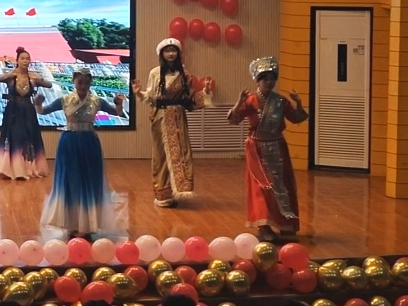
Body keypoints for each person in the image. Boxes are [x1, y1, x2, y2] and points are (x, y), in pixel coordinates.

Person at [37, 68, 126, 239]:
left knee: (89, 181)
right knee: (71, 181)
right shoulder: (65, 100)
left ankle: (87, 224)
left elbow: (117, 113)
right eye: (80, 82)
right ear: (74, 81)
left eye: (86, 82)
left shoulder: (97, 101)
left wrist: (118, 103)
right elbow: (43, 111)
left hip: (89, 143)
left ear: (90, 83)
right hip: (69, 143)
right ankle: (72, 223)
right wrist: (38, 103)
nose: (83, 85)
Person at [227, 56, 308, 242]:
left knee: (281, 185)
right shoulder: (250, 100)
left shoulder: (280, 101)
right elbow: (233, 120)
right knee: (261, 187)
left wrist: (298, 103)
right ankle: (263, 226)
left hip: (277, 147)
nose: (269, 82)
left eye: (272, 79)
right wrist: (239, 102)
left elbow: (296, 118)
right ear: (258, 80)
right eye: (265, 79)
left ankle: (285, 223)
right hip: (257, 149)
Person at [130, 38, 213, 208]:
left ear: (178, 53)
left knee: (181, 153)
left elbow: (190, 99)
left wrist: (205, 92)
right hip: (161, 117)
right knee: (161, 155)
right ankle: (163, 194)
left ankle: (178, 190)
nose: (170, 54)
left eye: (173, 50)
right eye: (167, 51)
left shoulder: (184, 74)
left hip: (178, 118)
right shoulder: (155, 73)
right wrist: (138, 93)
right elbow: (150, 96)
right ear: (162, 54)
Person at [0, 46, 52, 180]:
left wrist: (40, 79)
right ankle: (12, 168)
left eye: (27, 59)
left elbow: (49, 85)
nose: (25, 61)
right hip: (13, 110)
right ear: (17, 60)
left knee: (29, 137)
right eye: (22, 58)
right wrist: (9, 74)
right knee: (14, 136)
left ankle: (28, 168)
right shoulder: (11, 76)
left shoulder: (33, 77)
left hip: (28, 110)